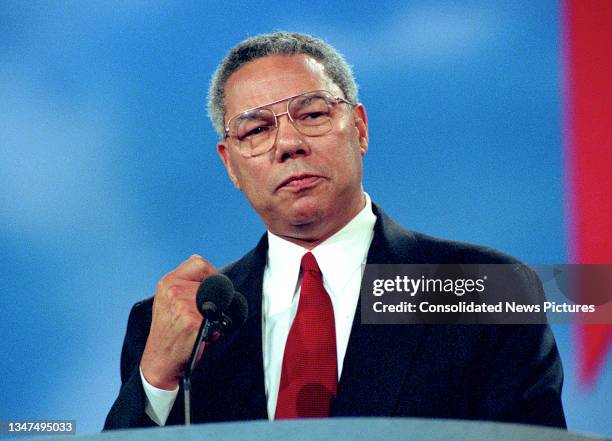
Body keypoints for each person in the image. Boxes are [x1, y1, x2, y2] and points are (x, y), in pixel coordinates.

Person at [104, 32, 566, 430]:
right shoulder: (169, 326)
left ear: (359, 128)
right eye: (257, 130)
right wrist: (157, 379)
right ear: (230, 164)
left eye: (312, 115)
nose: (289, 144)